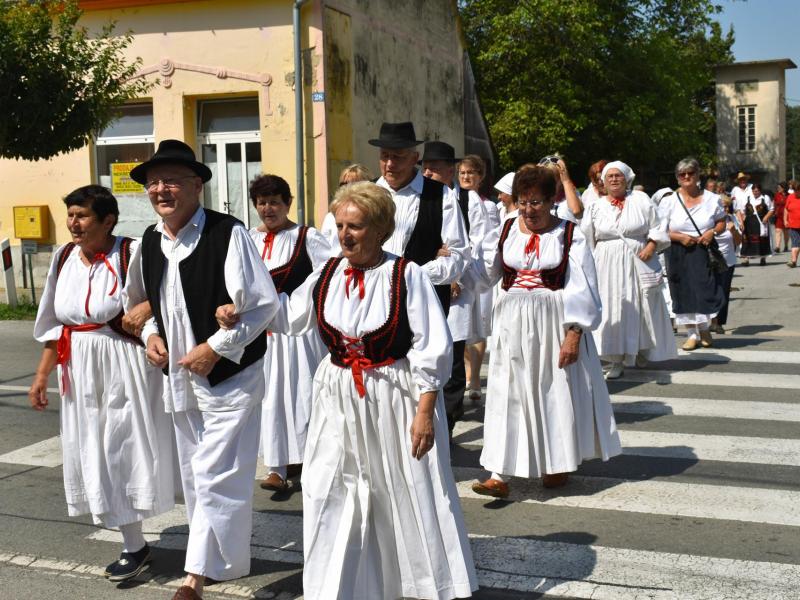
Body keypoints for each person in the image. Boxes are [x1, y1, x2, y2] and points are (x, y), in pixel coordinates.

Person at [265, 181, 477, 600]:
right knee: (330, 486)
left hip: (394, 395)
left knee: (403, 488)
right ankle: (337, 588)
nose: (344, 235)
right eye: (340, 225)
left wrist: (424, 411)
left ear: (380, 229)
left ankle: (413, 586)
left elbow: (430, 346)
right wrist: (240, 308)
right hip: (337, 393)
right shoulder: (327, 273)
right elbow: (288, 318)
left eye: (355, 226)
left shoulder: (405, 274)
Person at [126, 139, 280, 600]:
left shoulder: (227, 233)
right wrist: (151, 334)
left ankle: (193, 575)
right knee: (200, 472)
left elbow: (264, 306)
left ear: (197, 185)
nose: (161, 189)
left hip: (231, 375)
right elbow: (140, 302)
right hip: (180, 374)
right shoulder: (149, 240)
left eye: (171, 180)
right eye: (154, 182)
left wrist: (216, 346)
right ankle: (226, 562)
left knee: (215, 470)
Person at [29, 185, 174, 583]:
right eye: (71, 216)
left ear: (108, 221)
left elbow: (153, 308)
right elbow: (54, 326)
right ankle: (133, 544)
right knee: (92, 449)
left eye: (82, 216)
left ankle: (142, 543)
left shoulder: (129, 253)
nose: (73, 224)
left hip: (122, 364)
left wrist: (153, 338)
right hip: (77, 365)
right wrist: (42, 377)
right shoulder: (63, 258)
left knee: (122, 449)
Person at [471, 165, 621, 497]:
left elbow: (583, 287)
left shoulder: (570, 233)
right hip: (512, 321)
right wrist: (456, 264)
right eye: (522, 202)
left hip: (553, 321)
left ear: (551, 200)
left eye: (535, 203)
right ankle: (499, 472)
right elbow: (486, 275)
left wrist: (574, 333)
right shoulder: (507, 229)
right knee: (508, 393)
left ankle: (557, 462)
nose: (528, 210)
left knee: (554, 392)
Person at [370, 121, 469, 431]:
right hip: (373, 303)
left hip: (421, 303)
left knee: (422, 375)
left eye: (398, 156)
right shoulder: (366, 193)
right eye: (385, 155)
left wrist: (413, 274)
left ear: (415, 158)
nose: (389, 164)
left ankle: (427, 439)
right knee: (379, 379)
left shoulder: (439, 195)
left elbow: (459, 255)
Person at [247, 174, 333, 492]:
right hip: (262, 332)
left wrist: (299, 302)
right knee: (270, 396)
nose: (268, 209)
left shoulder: (307, 237)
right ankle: (276, 466)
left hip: (299, 333)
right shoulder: (247, 239)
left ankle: (312, 461)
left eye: (274, 202)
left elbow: (328, 273)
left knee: (302, 393)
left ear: (288, 204)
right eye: (262, 203)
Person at [572, 160, 675, 379]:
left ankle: (641, 348)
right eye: (610, 177)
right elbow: (587, 237)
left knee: (642, 305)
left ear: (627, 178)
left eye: (618, 176)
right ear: (603, 182)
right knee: (613, 306)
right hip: (607, 262)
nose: (614, 180)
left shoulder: (641, 200)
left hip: (638, 258)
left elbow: (658, 226)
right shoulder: (596, 206)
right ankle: (615, 358)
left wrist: (651, 245)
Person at [659, 158, 726, 350]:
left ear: (698, 175)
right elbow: (659, 230)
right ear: (677, 178)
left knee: (704, 288)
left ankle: (704, 329)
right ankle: (691, 333)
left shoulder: (712, 199)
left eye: (691, 173)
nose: (687, 177)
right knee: (683, 290)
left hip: (703, 249)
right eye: (682, 174)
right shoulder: (669, 201)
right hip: (677, 250)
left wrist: (711, 232)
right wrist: (678, 237)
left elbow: (722, 222)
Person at [458, 154, 500, 401]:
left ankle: (475, 378)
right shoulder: (453, 199)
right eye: (462, 173)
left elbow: (489, 239)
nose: (465, 177)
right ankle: (466, 373)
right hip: (460, 269)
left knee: (479, 325)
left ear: (480, 177)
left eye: (470, 173)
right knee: (462, 324)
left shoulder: (489, 206)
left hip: (478, 269)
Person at [321, 163, 375, 249]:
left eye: (354, 184)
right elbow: (324, 247)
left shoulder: (374, 214)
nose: (347, 188)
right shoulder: (330, 216)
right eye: (344, 184)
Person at [710, 194, 741, 334]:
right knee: (710, 291)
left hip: (728, 261)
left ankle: (718, 322)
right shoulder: (708, 221)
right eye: (723, 206)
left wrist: (733, 230)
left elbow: (739, 241)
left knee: (723, 291)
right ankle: (709, 321)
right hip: (710, 261)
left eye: (727, 206)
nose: (725, 208)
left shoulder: (732, 219)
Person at [736, 182, 773, 266]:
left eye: (757, 191)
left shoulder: (765, 198)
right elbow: (742, 211)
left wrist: (766, 217)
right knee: (747, 240)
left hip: (761, 222)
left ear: (760, 191)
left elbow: (771, 209)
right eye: (754, 191)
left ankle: (763, 258)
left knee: (762, 240)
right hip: (749, 222)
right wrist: (742, 223)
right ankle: (746, 259)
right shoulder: (747, 198)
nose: (755, 193)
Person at [785, 184, 800, 268]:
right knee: (795, 243)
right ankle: (793, 261)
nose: (796, 193)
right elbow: (786, 209)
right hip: (793, 224)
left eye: (798, 191)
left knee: (797, 244)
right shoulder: (790, 197)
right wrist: (785, 220)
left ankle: (794, 261)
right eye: (795, 191)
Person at [773, 182, 789, 253]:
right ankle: (777, 247)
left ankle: (786, 245)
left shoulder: (789, 196)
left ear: (784, 188)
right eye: (778, 188)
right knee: (778, 231)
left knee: (786, 232)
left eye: (779, 188)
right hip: (778, 216)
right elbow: (774, 204)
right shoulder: (776, 195)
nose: (778, 189)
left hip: (787, 216)